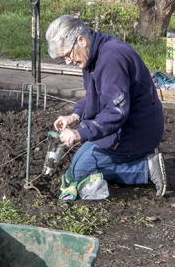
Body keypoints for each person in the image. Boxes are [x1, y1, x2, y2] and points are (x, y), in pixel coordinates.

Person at [45, 15, 167, 199]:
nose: (68, 61)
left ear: (81, 40)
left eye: (67, 55)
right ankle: (140, 158)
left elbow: (116, 112)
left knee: (80, 171)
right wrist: (75, 116)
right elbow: (94, 95)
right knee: (78, 162)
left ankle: (145, 168)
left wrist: (80, 133)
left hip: (134, 131)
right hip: (123, 127)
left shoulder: (111, 59)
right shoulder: (93, 55)